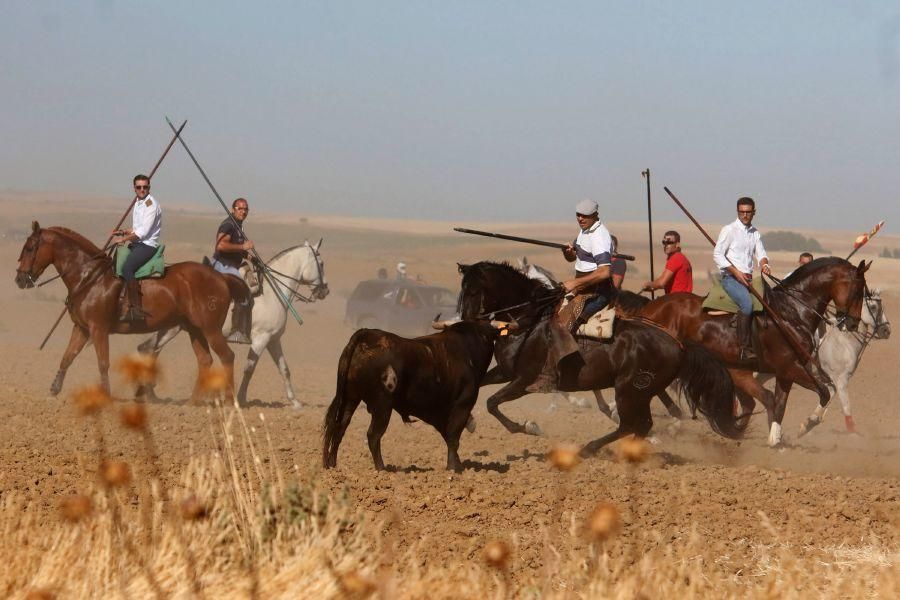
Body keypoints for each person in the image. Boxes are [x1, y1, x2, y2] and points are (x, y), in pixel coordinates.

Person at [713, 197, 771, 360]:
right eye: (741, 212)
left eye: (748, 212)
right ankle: (744, 348)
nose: (745, 215)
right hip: (731, 278)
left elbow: (761, 253)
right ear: (738, 212)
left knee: (770, 301)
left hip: (749, 279)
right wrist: (735, 272)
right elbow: (717, 254)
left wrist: (764, 264)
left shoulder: (755, 233)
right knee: (747, 304)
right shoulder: (729, 230)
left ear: (754, 212)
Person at [111, 174, 161, 322]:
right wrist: (124, 231)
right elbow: (137, 228)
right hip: (138, 242)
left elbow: (142, 233)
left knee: (127, 268)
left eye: (145, 187)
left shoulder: (151, 205)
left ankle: (136, 309)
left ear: (149, 188)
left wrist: (123, 239)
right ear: (134, 188)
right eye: (139, 187)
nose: (142, 189)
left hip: (147, 245)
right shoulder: (138, 203)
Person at [211, 198, 254, 344]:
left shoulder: (238, 226)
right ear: (233, 209)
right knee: (243, 291)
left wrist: (251, 258)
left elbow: (237, 249)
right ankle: (235, 331)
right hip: (223, 264)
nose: (243, 211)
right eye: (240, 208)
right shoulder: (228, 225)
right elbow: (221, 246)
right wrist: (243, 247)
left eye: (245, 209)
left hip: (232, 263)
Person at [642, 230, 694, 294]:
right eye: (664, 242)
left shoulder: (676, 258)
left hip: (676, 299)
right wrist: (653, 287)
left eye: (669, 243)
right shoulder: (682, 258)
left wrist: (649, 284)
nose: (666, 245)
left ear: (677, 244)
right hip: (684, 298)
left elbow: (661, 283)